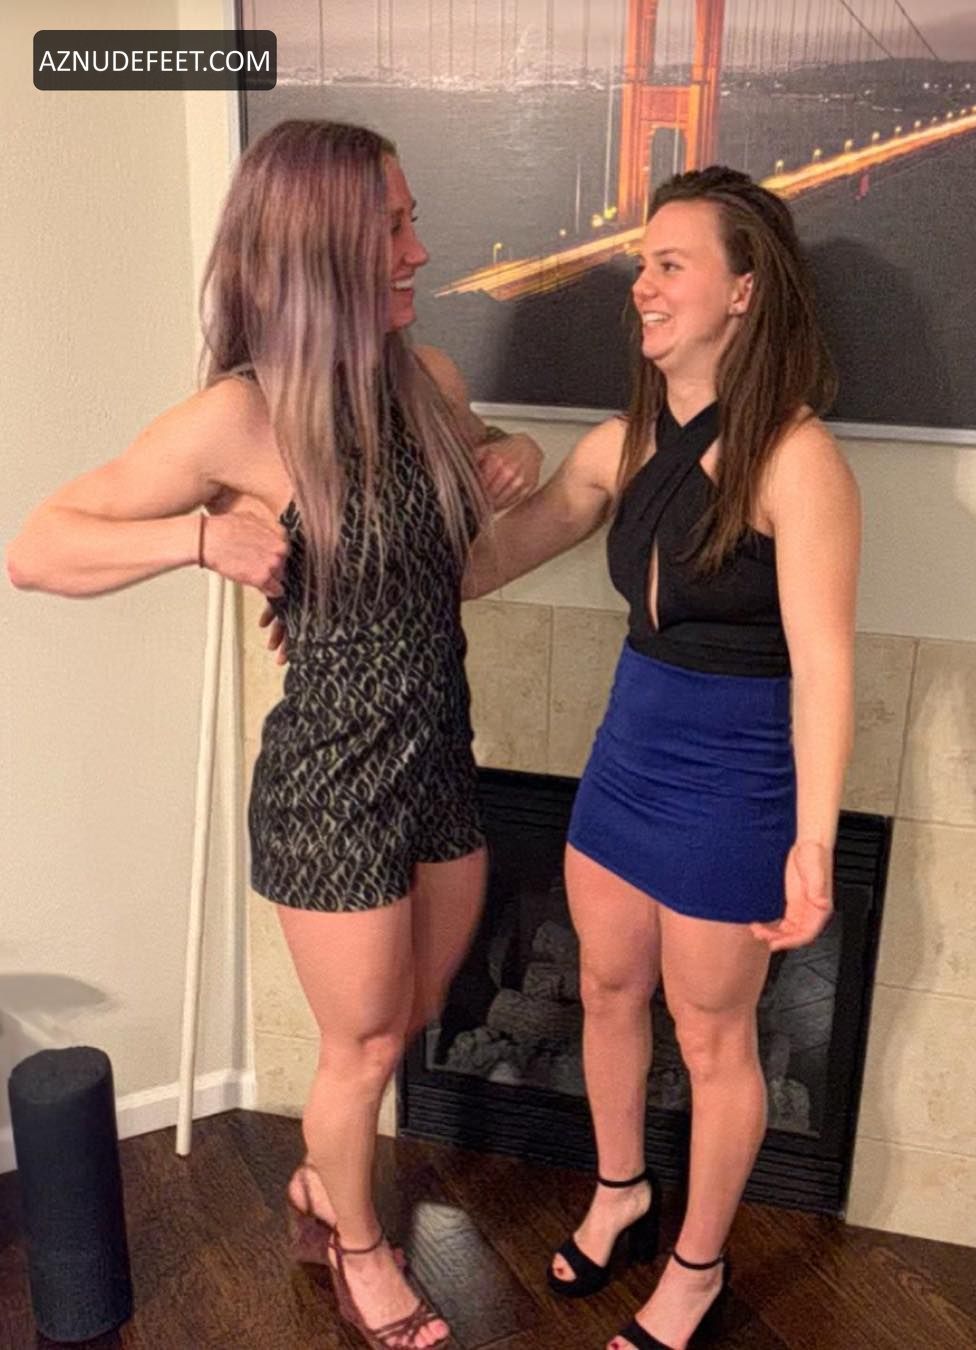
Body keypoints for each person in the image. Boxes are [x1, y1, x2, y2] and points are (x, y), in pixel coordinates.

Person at [7, 118, 542, 1350]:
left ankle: (320, 1178)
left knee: (407, 1017)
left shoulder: (427, 382)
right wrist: (198, 537)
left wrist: (512, 452)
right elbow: (38, 547)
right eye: (392, 226)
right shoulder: (239, 419)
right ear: (321, 248)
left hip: (439, 760)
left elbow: (467, 497)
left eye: (410, 221)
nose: (418, 249)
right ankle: (358, 1246)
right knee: (362, 1044)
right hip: (330, 787)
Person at [464, 165, 860, 1350]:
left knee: (714, 1036)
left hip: (735, 782)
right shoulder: (619, 444)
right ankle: (622, 1192)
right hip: (627, 755)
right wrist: (383, 532)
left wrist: (814, 843)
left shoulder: (799, 462)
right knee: (604, 988)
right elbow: (485, 564)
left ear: (743, 290)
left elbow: (825, 667)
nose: (641, 284)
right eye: (643, 263)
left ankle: (697, 1265)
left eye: (669, 264)